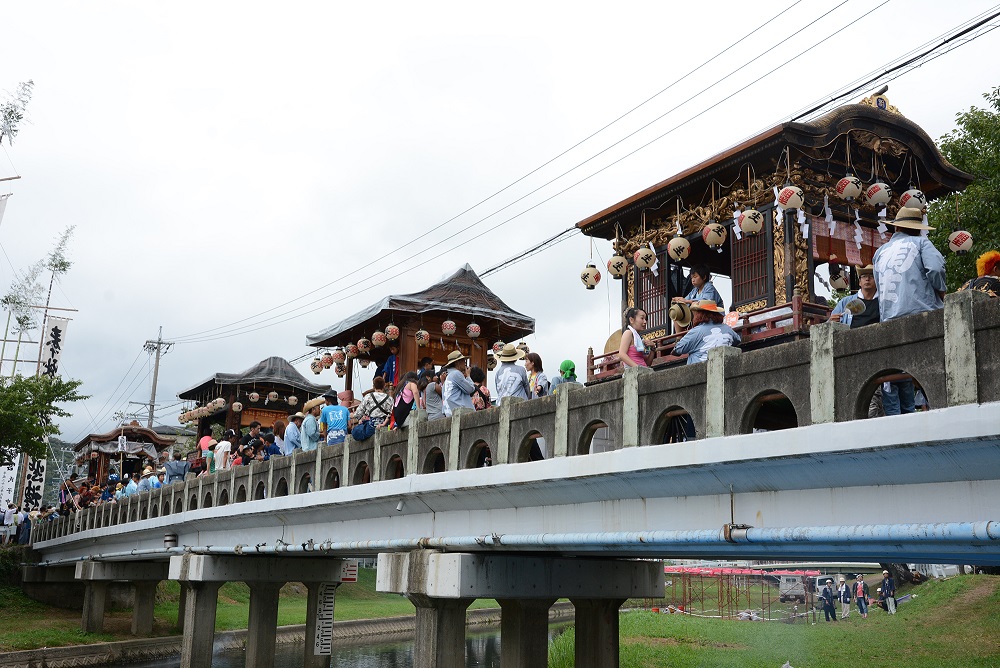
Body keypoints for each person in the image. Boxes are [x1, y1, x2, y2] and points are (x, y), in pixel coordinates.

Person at [873, 207, 946, 415]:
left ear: (897, 227)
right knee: (929, 373)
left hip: (889, 319)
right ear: (917, 228)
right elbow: (936, 269)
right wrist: (940, 291)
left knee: (897, 374)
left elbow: (879, 286)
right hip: (921, 313)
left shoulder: (881, 252)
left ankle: (898, 423)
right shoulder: (922, 243)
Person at [672, 300, 740, 364]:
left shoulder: (696, 331)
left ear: (699, 314)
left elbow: (677, 350)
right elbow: (737, 340)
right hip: (726, 365)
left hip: (701, 369)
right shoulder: (727, 329)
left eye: (695, 313)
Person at [352, 377, 393, 441]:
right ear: (384, 386)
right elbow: (391, 413)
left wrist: (357, 417)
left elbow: (358, 413)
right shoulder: (390, 399)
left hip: (371, 428)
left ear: (373, 386)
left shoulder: (368, 397)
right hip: (385, 426)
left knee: (355, 431)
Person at [441, 350, 476, 415]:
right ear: (457, 363)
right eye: (463, 361)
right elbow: (471, 389)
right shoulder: (456, 374)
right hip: (459, 413)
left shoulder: (448, 378)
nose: (465, 363)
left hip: (449, 412)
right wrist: (468, 376)